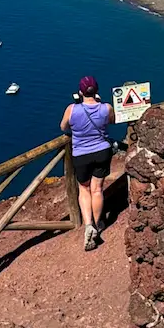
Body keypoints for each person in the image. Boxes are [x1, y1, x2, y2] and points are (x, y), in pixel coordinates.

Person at [60, 76, 115, 251]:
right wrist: (99, 103)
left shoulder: (72, 109)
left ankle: (88, 225)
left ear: (80, 92)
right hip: (102, 151)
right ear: (96, 91)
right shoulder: (106, 108)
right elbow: (112, 121)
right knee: (97, 189)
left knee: (84, 189)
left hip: (81, 155)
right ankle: (98, 225)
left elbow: (63, 127)